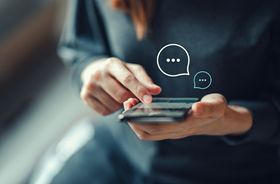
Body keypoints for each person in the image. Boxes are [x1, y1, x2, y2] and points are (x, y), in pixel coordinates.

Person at [52, 0, 280, 183]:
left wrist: (231, 120)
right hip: (119, 150)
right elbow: (80, 47)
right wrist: (91, 72)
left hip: (229, 172)